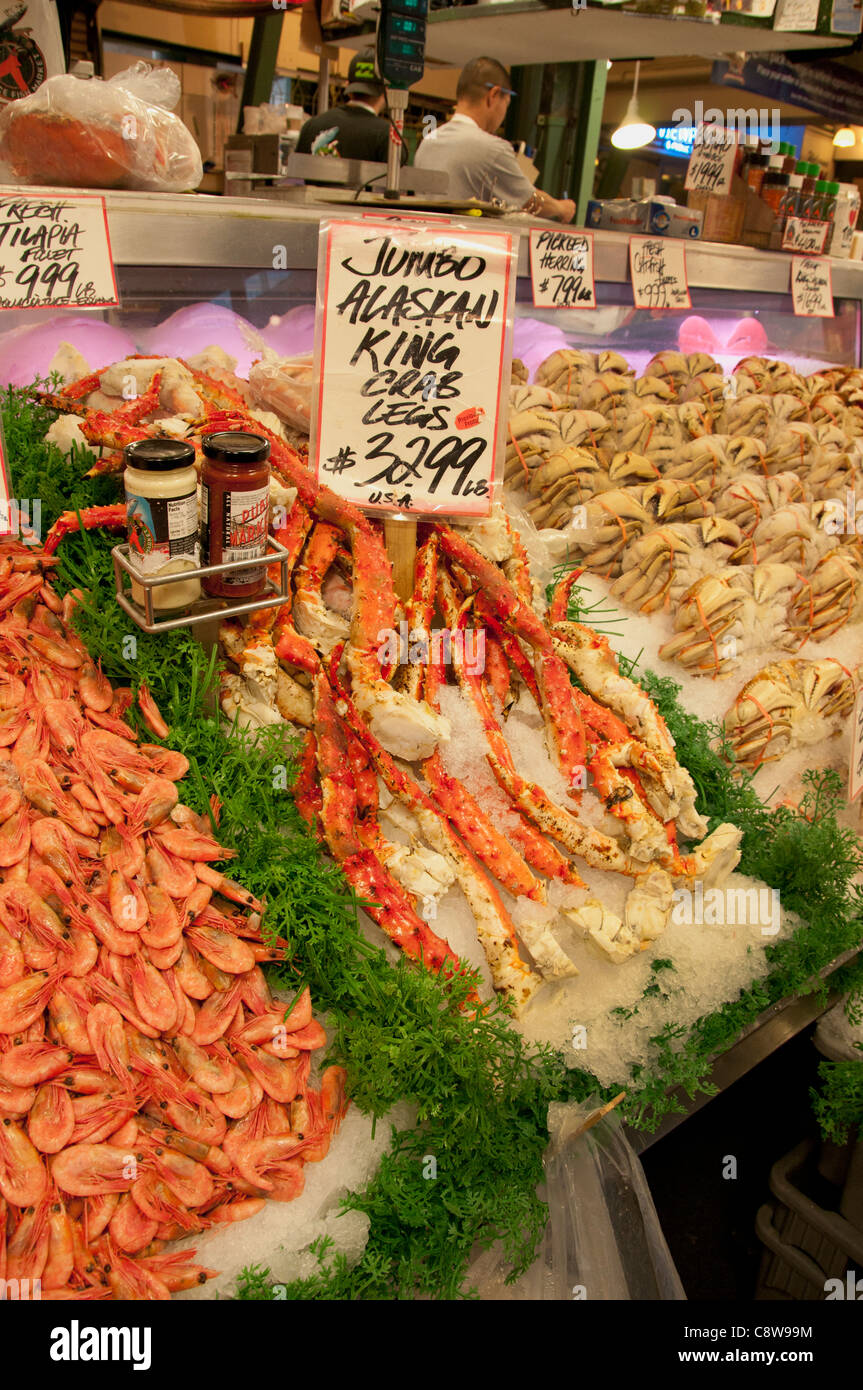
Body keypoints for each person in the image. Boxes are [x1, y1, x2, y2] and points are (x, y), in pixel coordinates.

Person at [414, 56, 575, 222]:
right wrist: (562, 208)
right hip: (466, 244)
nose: (504, 114)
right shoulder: (492, 149)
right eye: (506, 104)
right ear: (494, 95)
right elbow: (530, 202)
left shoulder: (427, 142)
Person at [296, 49, 403, 166]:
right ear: (386, 90)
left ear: (348, 86)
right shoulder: (388, 136)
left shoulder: (311, 126)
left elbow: (295, 179)